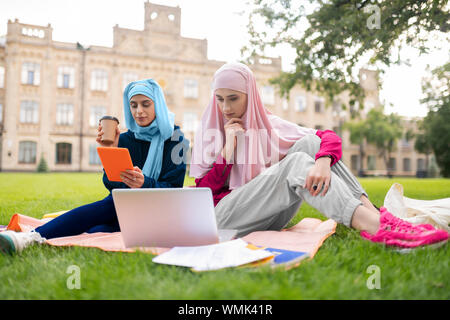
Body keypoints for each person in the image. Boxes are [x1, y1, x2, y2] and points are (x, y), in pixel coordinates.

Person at [190, 62, 448, 251]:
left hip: (265, 215)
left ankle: (375, 215)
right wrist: (228, 150)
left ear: (251, 96)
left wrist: (323, 162)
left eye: (233, 99)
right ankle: (375, 225)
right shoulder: (211, 129)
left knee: (310, 142)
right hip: (221, 219)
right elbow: (202, 193)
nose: (225, 108)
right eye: (220, 99)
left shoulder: (267, 124)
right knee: (295, 164)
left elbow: (329, 137)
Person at [0, 79, 188, 254]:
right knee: (98, 226)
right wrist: (111, 151)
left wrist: (144, 184)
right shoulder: (124, 138)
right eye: (133, 105)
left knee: (111, 205)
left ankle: (30, 237)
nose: (139, 111)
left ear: (158, 104)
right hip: (126, 209)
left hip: (160, 212)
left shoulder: (175, 139)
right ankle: (34, 236)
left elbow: (173, 190)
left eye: (145, 104)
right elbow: (112, 185)